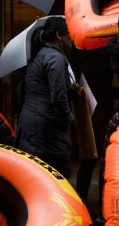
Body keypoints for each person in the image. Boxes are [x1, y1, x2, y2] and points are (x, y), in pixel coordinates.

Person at [17, 18, 75, 178]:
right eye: (69, 33)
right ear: (59, 36)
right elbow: (58, 97)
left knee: (37, 177)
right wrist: (68, 119)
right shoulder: (55, 58)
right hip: (48, 131)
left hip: (33, 128)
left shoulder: (40, 54)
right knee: (58, 179)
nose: (72, 37)